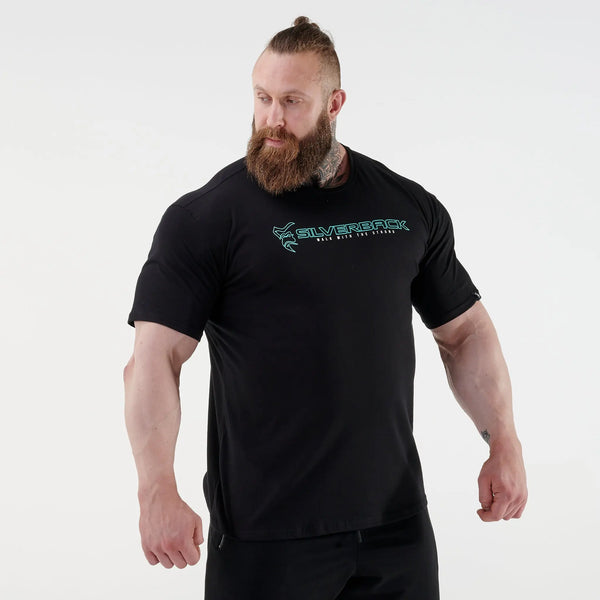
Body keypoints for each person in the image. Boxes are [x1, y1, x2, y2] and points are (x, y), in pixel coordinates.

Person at [123, 16, 527, 600]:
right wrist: (156, 488)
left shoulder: (407, 208)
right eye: (262, 98)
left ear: (334, 104)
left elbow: (464, 333)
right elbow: (152, 359)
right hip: (266, 535)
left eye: (292, 102)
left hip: (396, 529)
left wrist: (504, 441)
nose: (272, 120)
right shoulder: (206, 218)